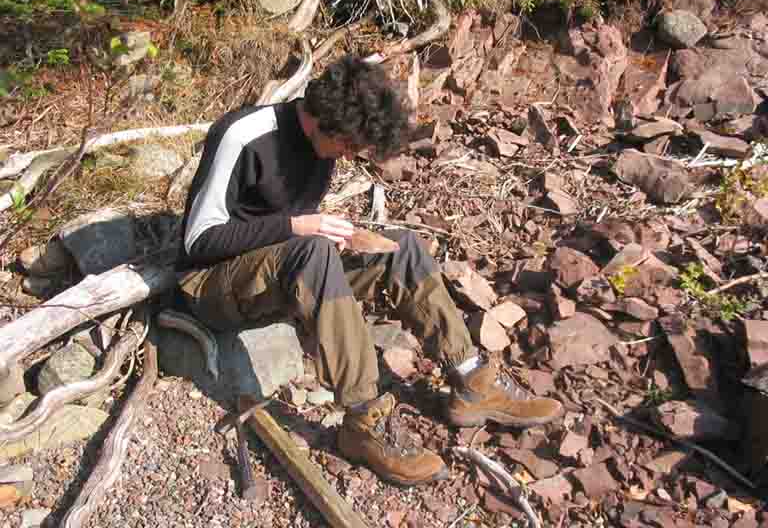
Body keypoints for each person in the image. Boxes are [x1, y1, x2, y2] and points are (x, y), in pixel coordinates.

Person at [176, 55, 563, 486]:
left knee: (403, 249)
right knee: (313, 253)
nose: (350, 155)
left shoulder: (323, 145)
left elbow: (291, 234)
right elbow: (197, 242)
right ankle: (362, 421)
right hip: (210, 286)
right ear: (326, 123)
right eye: (350, 147)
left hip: (277, 273)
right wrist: (296, 227)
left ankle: (471, 376)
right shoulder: (245, 134)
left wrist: (330, 236)